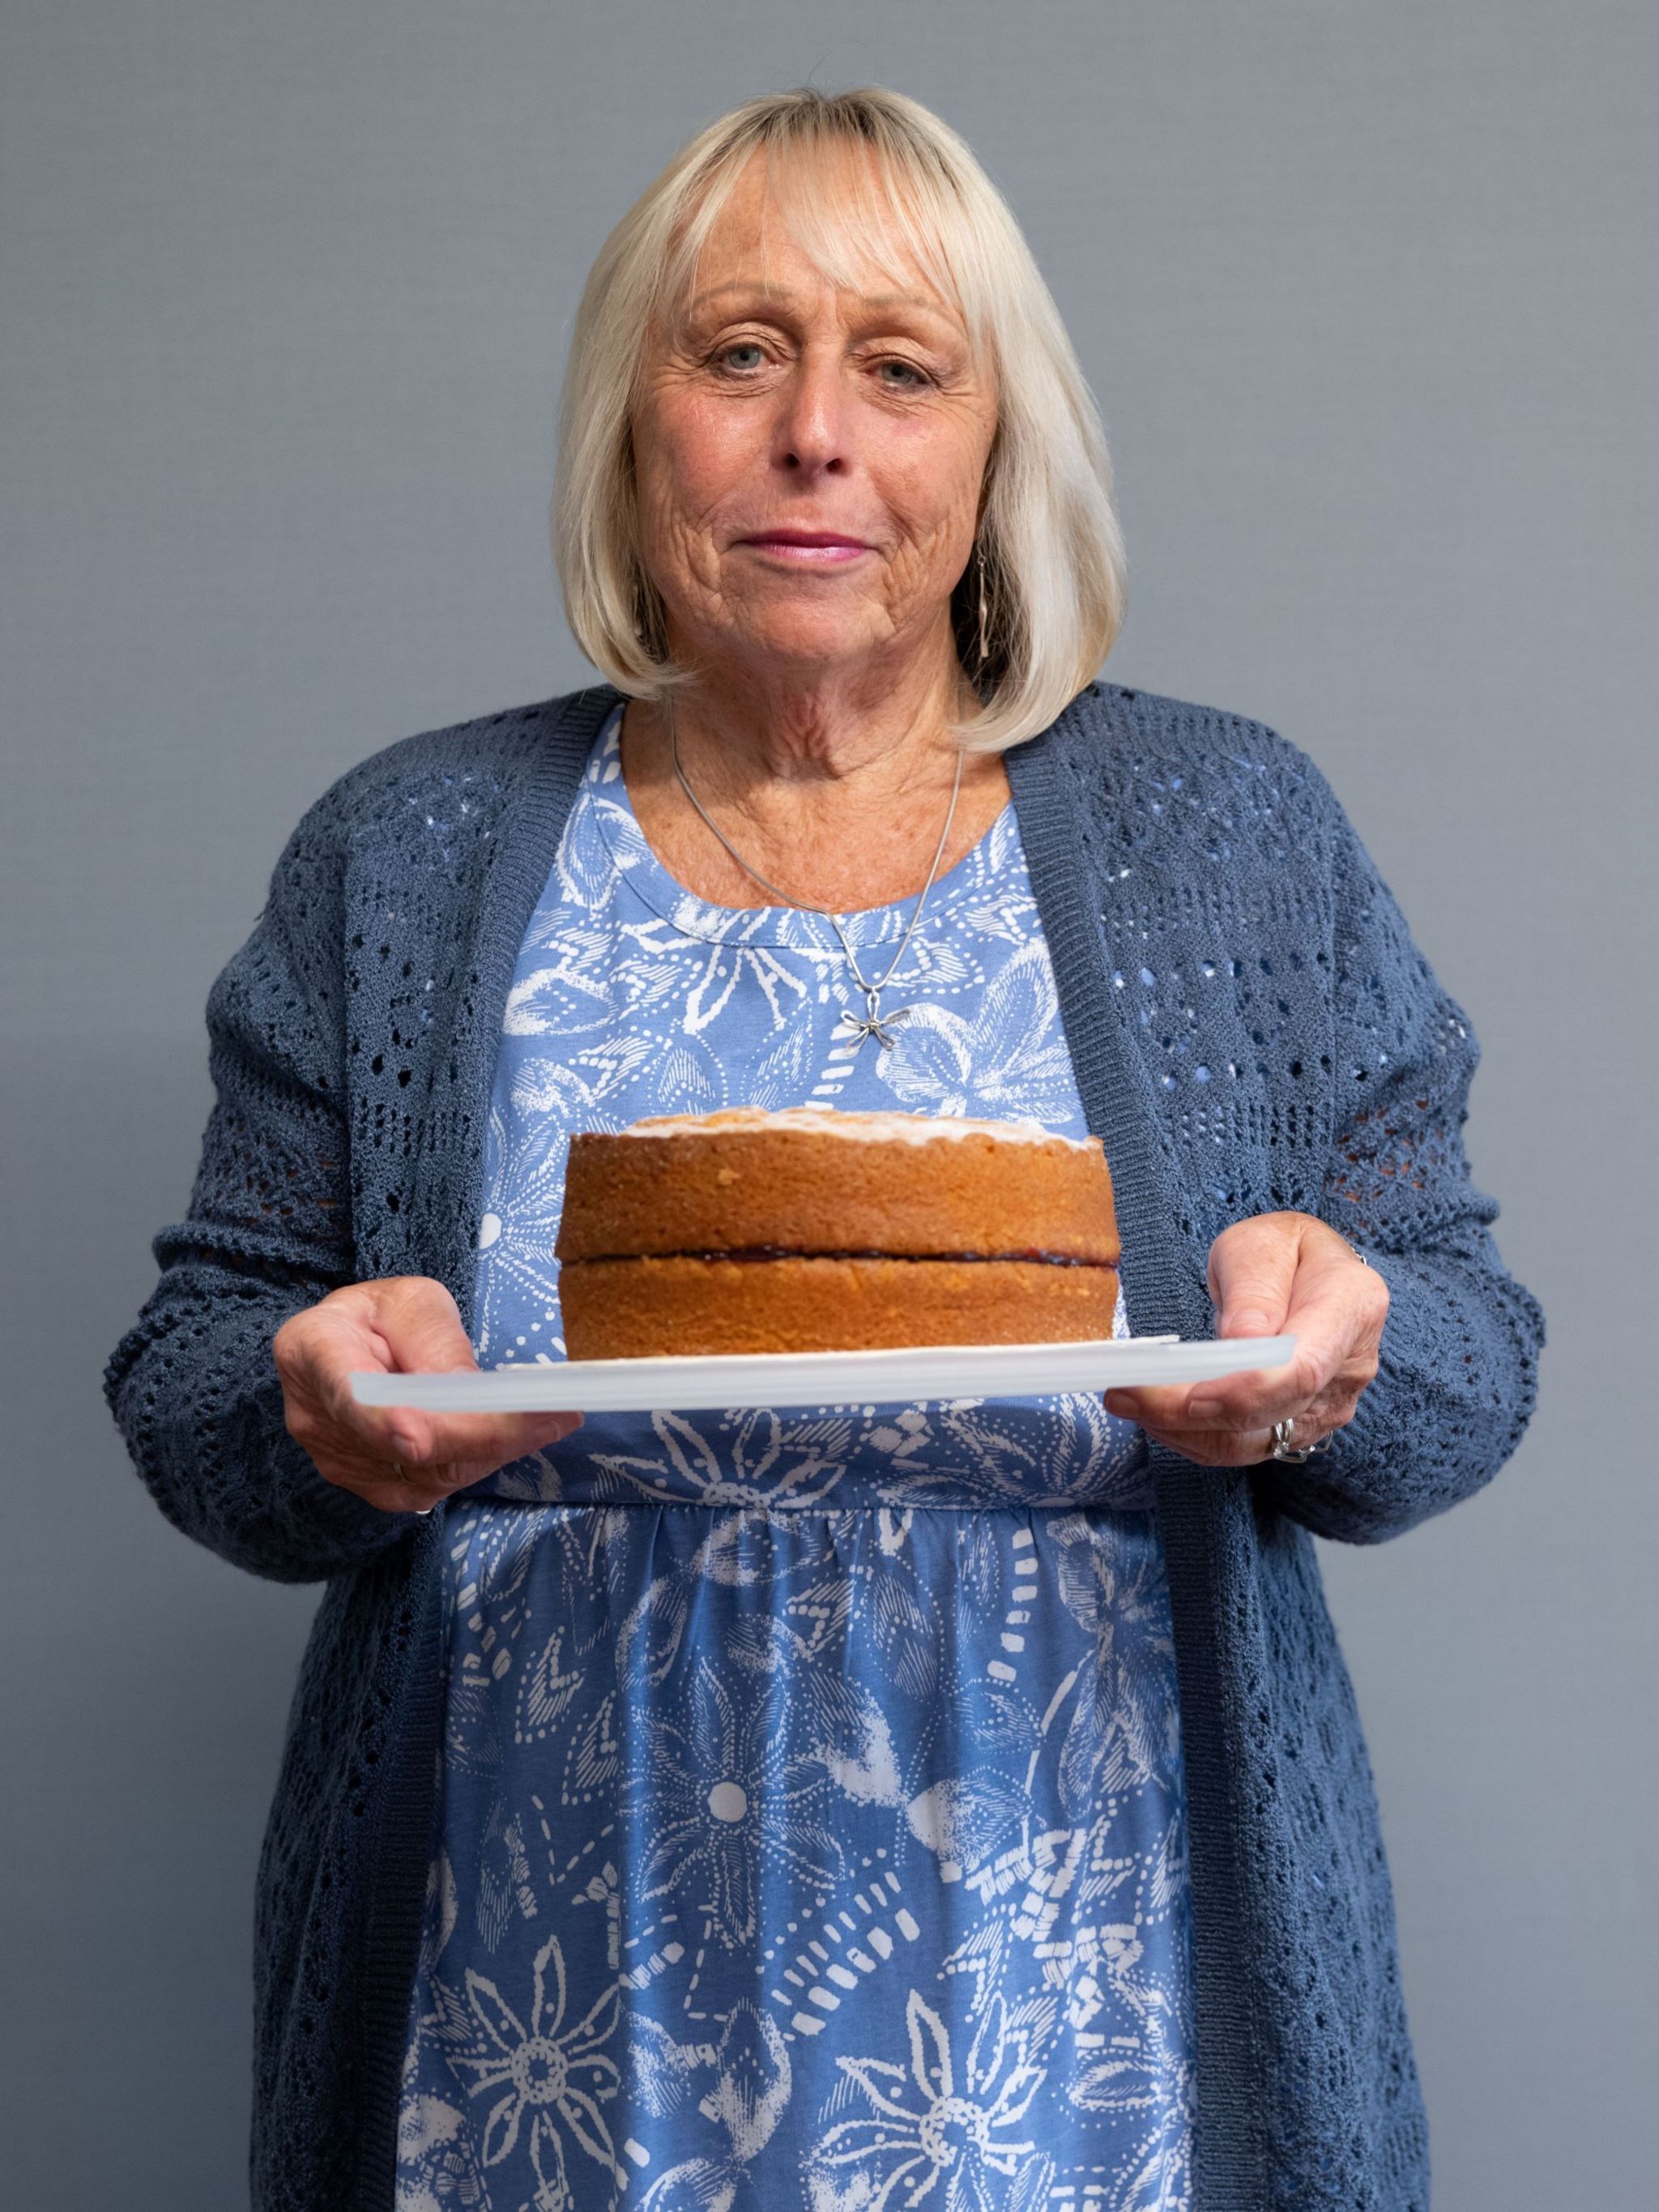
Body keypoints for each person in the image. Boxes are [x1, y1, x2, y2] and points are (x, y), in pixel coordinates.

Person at [104, 86, 1544, 2212]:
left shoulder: (1231, 835)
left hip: (1088, 2035)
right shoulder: (405, 854)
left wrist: (1357, 1345)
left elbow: (1468, 1361)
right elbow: (197, 1371)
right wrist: (312, 1399)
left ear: (993, 447)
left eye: (899, 365)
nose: (816, 437)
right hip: (527, 2036)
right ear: (634, 425)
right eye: (741, 351)